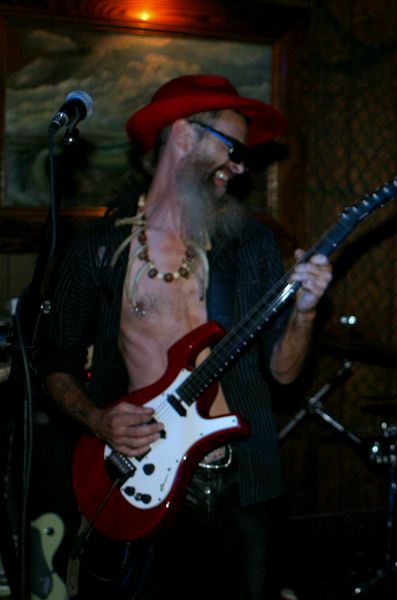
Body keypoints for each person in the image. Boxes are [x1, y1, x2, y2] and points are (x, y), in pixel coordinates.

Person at [39, 75, 333, 599]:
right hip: (140, 480)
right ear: (182, 134)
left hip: (243, 482)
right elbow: (54, 362)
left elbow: (284, 374)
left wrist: (305, 315)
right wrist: (98, 420)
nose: (240, 166)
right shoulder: (100, 248)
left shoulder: (249, 244)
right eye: (232, 148)